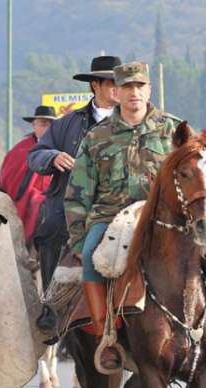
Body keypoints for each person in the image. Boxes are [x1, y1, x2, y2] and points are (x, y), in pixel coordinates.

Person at [64, 61, 181, 372]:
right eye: (128, 87)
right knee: (90, 254)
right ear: (115, 92)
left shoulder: (172, 130)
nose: (134, 93)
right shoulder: (96, 137)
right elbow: (77, 194)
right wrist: (78, 238)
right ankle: (108, 336)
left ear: (149, 90)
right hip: (109, 217)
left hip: (162, 219)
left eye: (140, 86)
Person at [27, 55, 122, 330]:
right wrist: (53, 156)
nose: (119, 88)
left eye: (121, 83)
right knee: (49, 230)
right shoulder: (66, 123)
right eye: (111, 82)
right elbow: (35, 155)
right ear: (95, 85)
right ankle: (51, 306)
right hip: (69, 205)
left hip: (118, 205)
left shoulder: (129, 121)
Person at [0, 105, 56, 245]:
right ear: (33, 125)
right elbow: (8, 181)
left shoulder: (65, 147)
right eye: (43, 124)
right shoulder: (20, 150)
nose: (47, 128)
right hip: (24, 201)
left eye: (51, 125)